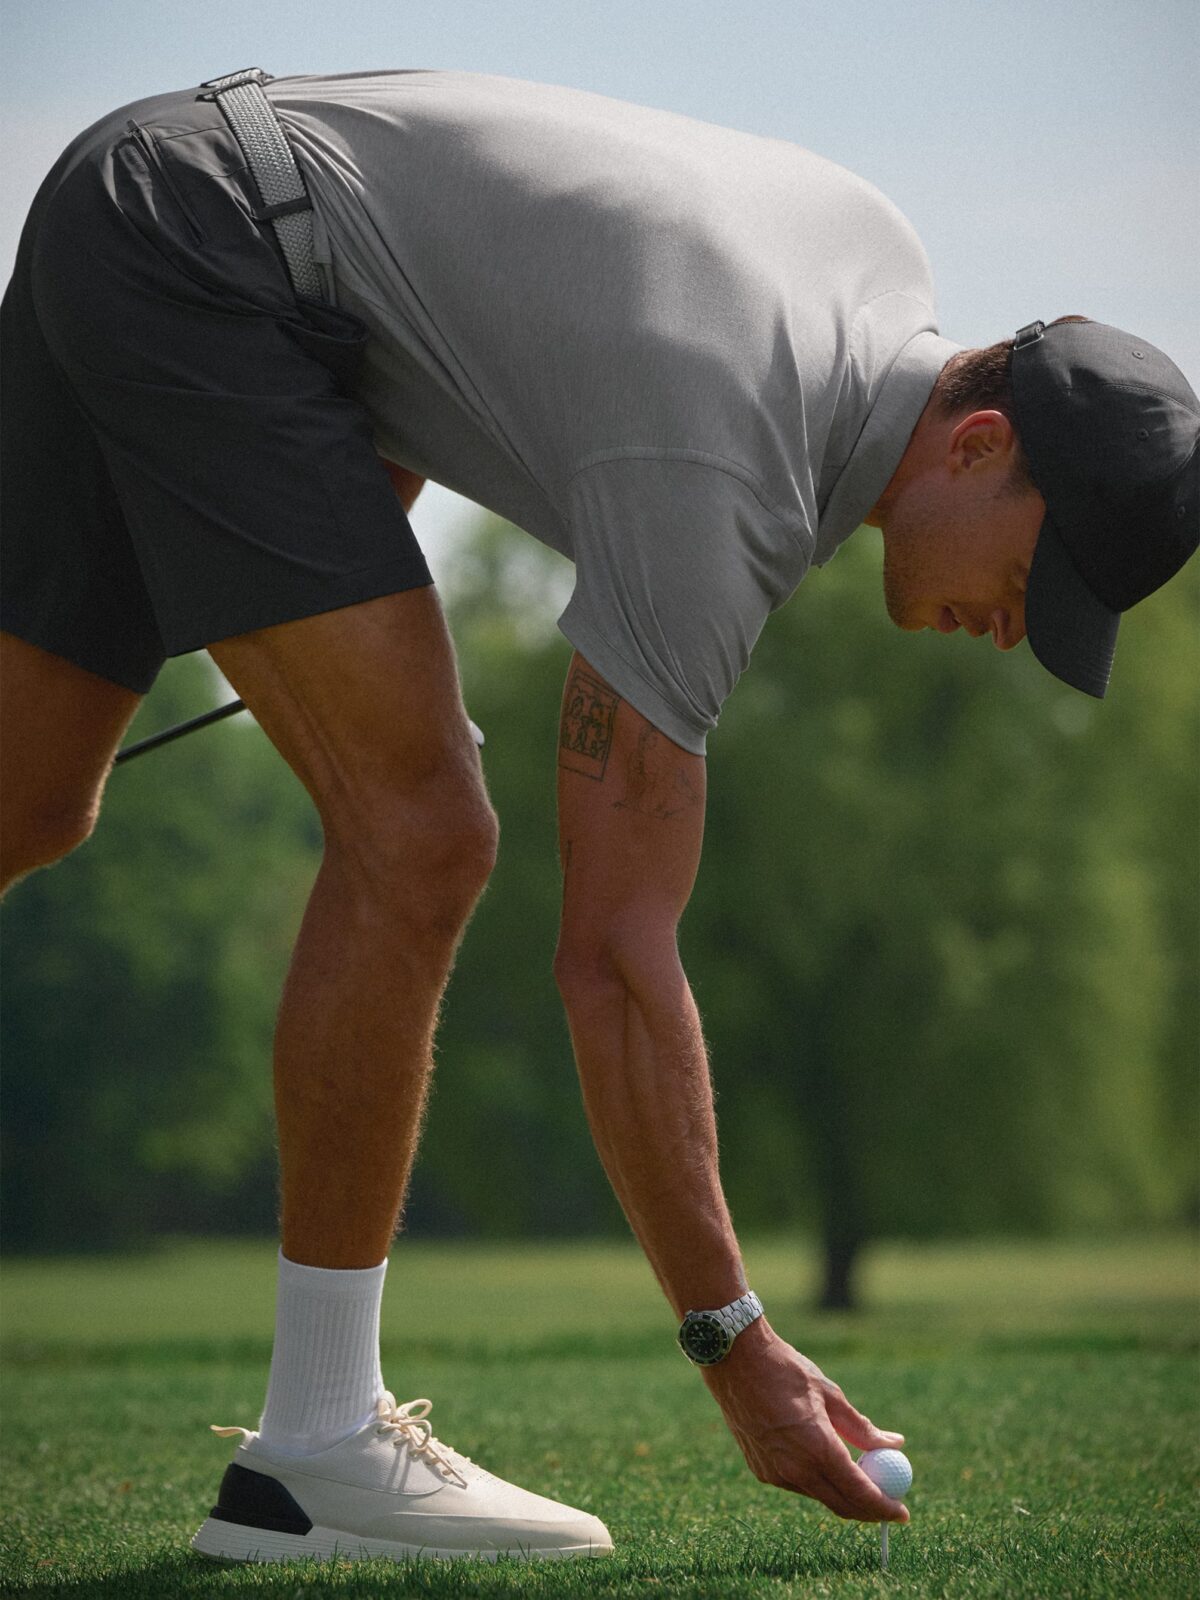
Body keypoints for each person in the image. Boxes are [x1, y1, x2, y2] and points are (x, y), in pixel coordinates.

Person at [1, 67, 1195, 1566]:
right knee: (427, 832)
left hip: (159, 199)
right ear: (977, 447)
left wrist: (329, 519)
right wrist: (733, 1341)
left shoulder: (875, 260)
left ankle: (317, 1448)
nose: (1021, 631)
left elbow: (477, 273)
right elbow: (615, 960)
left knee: (27, 801)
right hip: (210, 252)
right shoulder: (727, 470)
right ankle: (315, 1448)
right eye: (1043, 578)